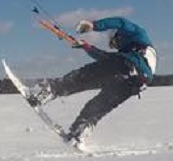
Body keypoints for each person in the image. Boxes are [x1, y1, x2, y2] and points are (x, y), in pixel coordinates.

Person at [25, 15, 157, 149]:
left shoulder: (138, 35)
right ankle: (79, 131)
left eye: (114, 43)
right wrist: (86, 46)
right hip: (138, 82)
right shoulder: (136, 54)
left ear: (118, 36)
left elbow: (121, 22)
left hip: (127, 67)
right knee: (100, 105)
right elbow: (106, 58)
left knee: (82, 77)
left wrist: (93, 25)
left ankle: (46, 91)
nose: (116, 47)